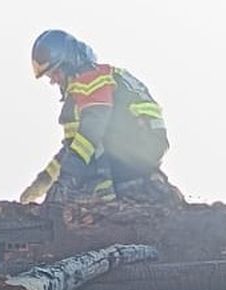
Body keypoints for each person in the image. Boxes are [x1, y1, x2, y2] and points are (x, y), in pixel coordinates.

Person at [20, 30, 176, 205]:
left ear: (69, 64)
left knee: (82, 168)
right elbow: (72, 147)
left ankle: (105, 197)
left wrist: (67, 181)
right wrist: (41, 184)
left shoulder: (90, 80)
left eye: (55, 73)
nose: (53, 81)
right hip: (139, 154)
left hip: (132, 151)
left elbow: (91, 130)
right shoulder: (105, 77)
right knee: (80, 155)